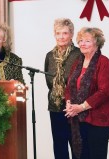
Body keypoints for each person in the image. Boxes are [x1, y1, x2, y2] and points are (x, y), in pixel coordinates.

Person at [64, 27, 109, 159]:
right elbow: (69, 87)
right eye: (80, 40)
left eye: (87, 41)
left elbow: (104, 92)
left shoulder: (104, 62)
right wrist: (69, 103)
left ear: (97, 43)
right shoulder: (78, 62)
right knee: (81, 155)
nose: (82, 43)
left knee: (96, 155)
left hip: (99, 119)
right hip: (79, 118)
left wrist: (81, 107)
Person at [44, 18, 80, 159]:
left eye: (65, 33)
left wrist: (70, 99)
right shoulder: (50, 56)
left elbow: (81, 81)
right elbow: (48, 81)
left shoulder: (78, 54)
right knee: (59, 145)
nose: (61, 37)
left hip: (74, 108)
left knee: (77, 145)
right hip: (55, 106)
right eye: (58, 33)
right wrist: (59, 94)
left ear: (71, 34)